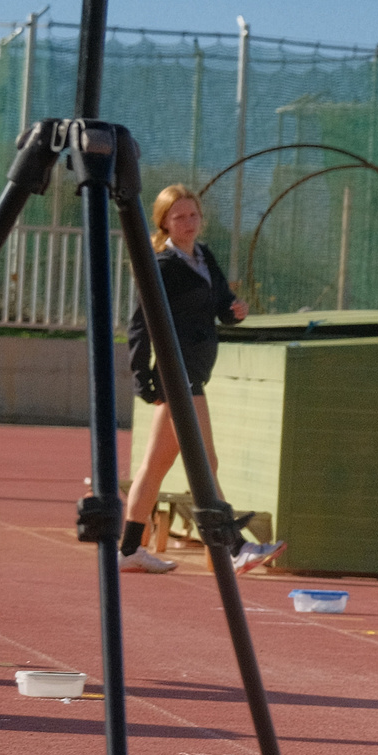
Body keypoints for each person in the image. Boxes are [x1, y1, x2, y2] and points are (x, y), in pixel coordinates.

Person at [120, 186, 276, 574]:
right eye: (179, 217)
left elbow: (221, 304)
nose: (188, 224)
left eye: (193, 216)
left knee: (155, 467)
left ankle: (127, 551)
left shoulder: (204, 256)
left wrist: (234, 310)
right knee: (206, 462)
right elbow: (139, 324)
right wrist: (142, 377)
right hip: (178, 373)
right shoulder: (159, 265)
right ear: (164, 223)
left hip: (195, 372)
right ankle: (236, 546)